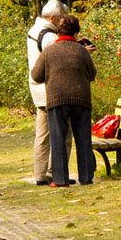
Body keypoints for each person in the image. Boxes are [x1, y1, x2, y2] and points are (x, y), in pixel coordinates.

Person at [31, 15, 97, 186]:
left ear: (58, 31)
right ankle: (86, 177)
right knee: (83, 139)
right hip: (81, 99)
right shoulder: (82, 51)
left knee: (58, 139)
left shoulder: (49, 51)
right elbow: (92, 74)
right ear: (77, 32)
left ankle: (60, 180)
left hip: (56, 99)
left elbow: (36, 76)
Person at [27, 0, 73, 186]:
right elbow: (61, 59)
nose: (63, 22)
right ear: (53, 17)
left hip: (39, 91)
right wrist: (81, 50)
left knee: (43, 134)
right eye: (61, 18)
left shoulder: (34, 30)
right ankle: (57, 173)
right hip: (53, 91)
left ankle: (40, 174)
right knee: (64, 134)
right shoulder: (49, 37)